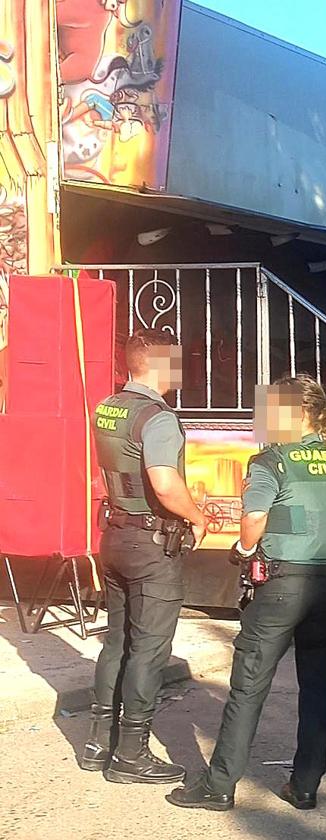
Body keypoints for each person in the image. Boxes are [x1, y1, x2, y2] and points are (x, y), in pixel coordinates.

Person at [168, 375, 326, 812]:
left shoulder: (270, 462)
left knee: (248, 687)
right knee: (318, 686)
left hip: (282, 586)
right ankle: (306, 785)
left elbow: (254, 520)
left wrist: (241, 549)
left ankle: (219, 786)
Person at [80, 328, 209, 783]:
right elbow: (164, 483)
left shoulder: (108, 408)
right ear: (157, 364)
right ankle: (131, 755)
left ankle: (98, 742)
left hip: (114, 535)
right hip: (151, 544)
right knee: (150, 651)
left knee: (117, 640)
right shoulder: (158, 417)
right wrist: (198, 517)